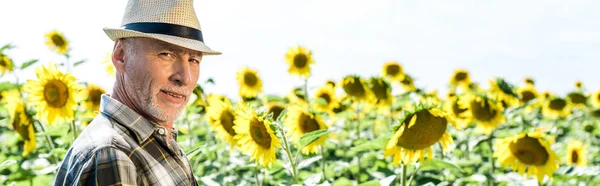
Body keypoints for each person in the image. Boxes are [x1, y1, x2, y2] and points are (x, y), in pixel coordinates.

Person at [53, 0, 220, 185]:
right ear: (121, 55)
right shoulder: (113, 155)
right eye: (166, 54)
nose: (185, 78)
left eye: (194, 60)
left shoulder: (154, 142)